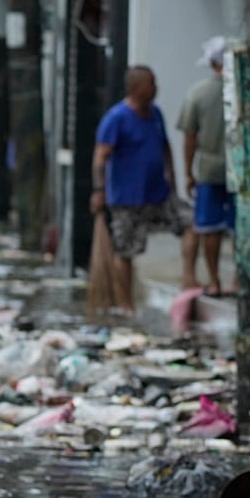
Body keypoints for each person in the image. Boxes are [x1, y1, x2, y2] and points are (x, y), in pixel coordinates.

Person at [90, 66, 190, 316]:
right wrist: (99, 191)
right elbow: (101, 157)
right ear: (137, 88)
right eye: (151, 83)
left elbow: (165, 147)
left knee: (192, 223)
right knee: (125, 251)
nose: (156, 88)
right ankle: (126, 306)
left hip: (158, 194)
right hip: (126, 199)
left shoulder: (155, 114)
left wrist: (173, 181)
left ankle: (189, 277)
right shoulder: (117, 118)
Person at [178, 37, 234, 297]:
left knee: (210, 228)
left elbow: (189, 139)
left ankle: (214, 281)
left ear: (212, 63)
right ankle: (240, 280)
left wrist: (188, 172)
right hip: (241, 171)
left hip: (209, 170)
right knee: (239, 228)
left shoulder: (198, 93)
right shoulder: (245, 89)